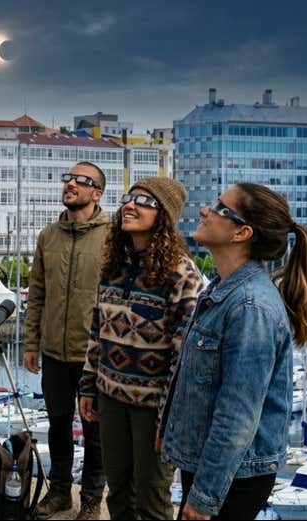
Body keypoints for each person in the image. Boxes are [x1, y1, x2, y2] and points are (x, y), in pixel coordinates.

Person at [160, 183, 307, 520]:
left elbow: (238, 416)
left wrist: (203, 497)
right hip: (212, 467)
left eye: (219, 207)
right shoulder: (221, 290)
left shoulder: (250, 306)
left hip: (233, 479)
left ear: (242, 233)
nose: (204, 211)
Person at [79, 177, 203, 519]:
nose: (129, 205)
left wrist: (167, 421)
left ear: (163, 215)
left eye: (143, 201)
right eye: (127, 198)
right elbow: (97, 332)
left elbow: (184, 358)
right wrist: (88, 385)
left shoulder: (182, 274)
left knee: (152, 501)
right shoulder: (114, 266)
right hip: (110, 397)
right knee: (117, 493)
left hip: (152, 410)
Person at [24, 161, 109, 519]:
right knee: (57, 423)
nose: (71, 183)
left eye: (81, 180)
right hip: (54, 352)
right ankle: (59, 491)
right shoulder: (48, 236)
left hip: (94, 354)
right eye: (68, 178)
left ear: (97, 193)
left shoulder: (113, 236)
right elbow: (37, 292)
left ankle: (91, 499)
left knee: (96, 431)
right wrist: (31, 342)